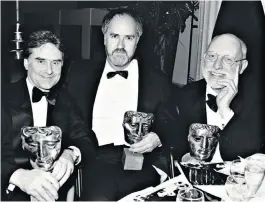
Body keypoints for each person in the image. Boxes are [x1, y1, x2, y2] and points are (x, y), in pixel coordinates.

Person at [68, 8, 173, 200]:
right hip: (94, 159)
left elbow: (171, 121)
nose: (121, 45)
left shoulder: (158, 81)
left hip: (140, 161)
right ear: (104, 37)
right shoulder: (78, 74)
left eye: (129, 38)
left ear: (138, 41)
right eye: (115, 36)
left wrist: (158, 137)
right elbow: (65, 119)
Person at [1, 30, 98, 201]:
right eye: (41, 61)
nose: (49, 71)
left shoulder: (65, 100)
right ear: (26, 63)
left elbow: (87, 139)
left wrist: (71, 154)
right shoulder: (3, 97)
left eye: (56, 62)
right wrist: (17, 175)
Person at [154, 33, 264, 162]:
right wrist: (184, 155)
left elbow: (248, 153)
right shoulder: (185, 95)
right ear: (204, 58)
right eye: (212, 56)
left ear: (242, 66)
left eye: (227, 59)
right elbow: (168, 132)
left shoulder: (257, 102)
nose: (217, 66)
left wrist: (225, 111)